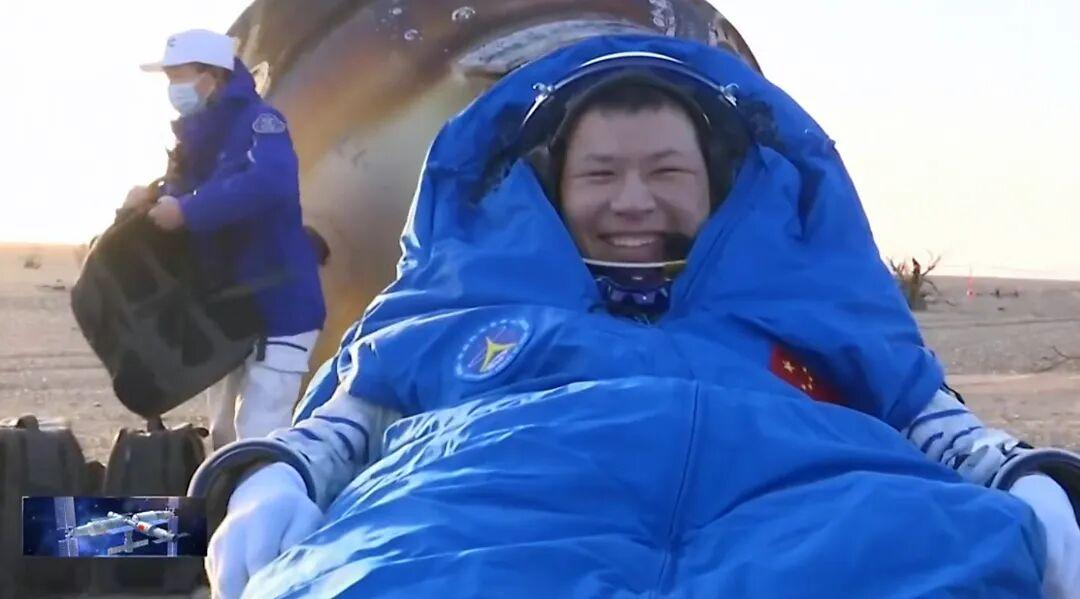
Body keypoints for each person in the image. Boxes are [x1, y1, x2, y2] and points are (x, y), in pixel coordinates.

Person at [190, 36, 1079, 598]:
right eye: (600, 174)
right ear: (550, 188)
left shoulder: (808, 305)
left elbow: (933, 422)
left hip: (819, 519)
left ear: (721, 184)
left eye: (666, 172)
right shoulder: (464, 306)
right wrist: (278, 477)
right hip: (484, 520)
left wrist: (1026, 481)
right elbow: (348, 422)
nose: (633, 201)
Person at [126, 30, 326, 449]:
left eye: (179, 76)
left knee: (260, 432)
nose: (173, 88)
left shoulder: (260, 123)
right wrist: (151, 201)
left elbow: (269, 183)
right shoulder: (196, 139)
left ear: (211, 75)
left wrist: (187, 212)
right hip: (229, 314)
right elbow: (186, 193)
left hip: (280, 308)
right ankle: (230, 492)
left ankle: (267, 491)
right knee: (223, 435)